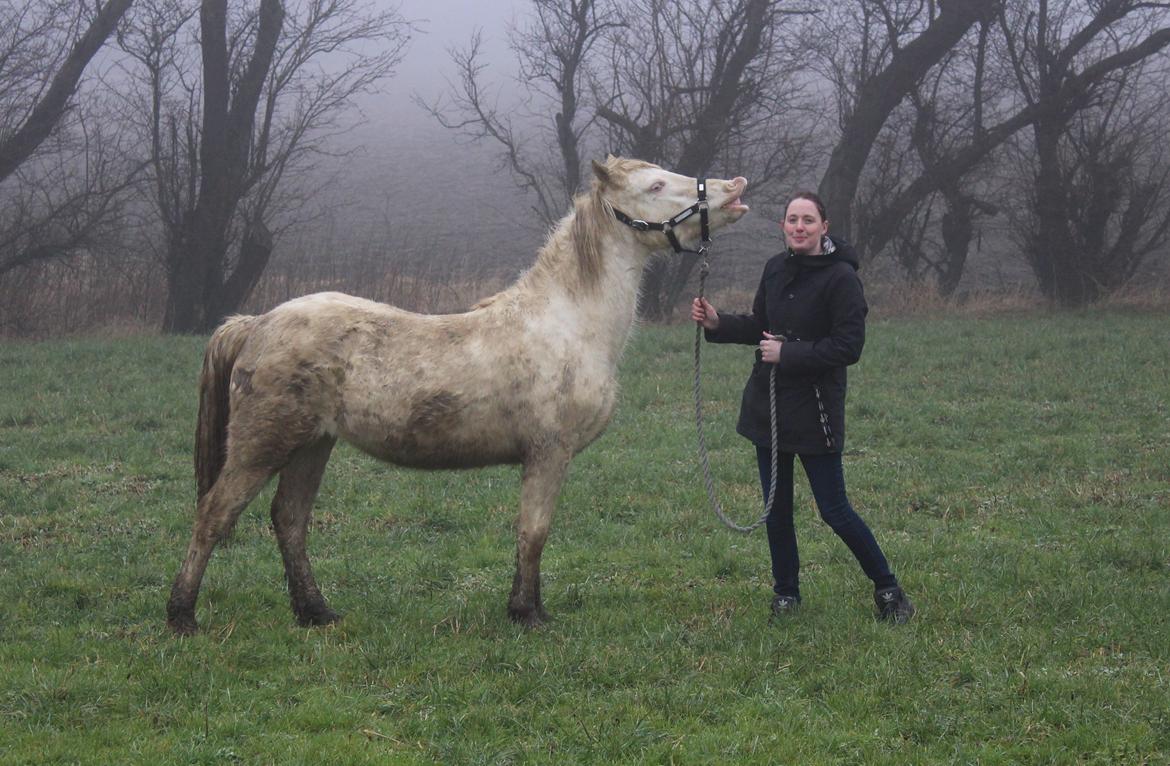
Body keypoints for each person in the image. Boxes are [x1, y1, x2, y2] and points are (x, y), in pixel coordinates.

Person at [691, 191, 914, 623]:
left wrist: (789, 354)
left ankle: (889, 590)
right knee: (775, 509)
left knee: (835, 510)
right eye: (792, 219)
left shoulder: (842, 279)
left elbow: (848, 346)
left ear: (823, 227)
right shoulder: (775, 269)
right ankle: (786, 595)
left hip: (815, 411)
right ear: (783, 226)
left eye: (808, 220)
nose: (799, 227)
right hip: (768, 409)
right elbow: (761, 326)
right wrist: (719, 323)